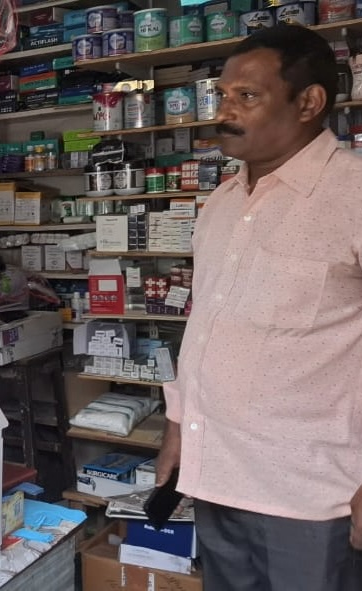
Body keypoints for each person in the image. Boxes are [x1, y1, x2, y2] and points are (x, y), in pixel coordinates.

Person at [155, 25, 362, 590]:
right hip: (216, 473)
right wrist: (179, 427)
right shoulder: (220, 202)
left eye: (247, 96)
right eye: (221, 95)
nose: (224, 110)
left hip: (311, 494)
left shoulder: (352, 195)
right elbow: (206, 326)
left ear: (309, 103)